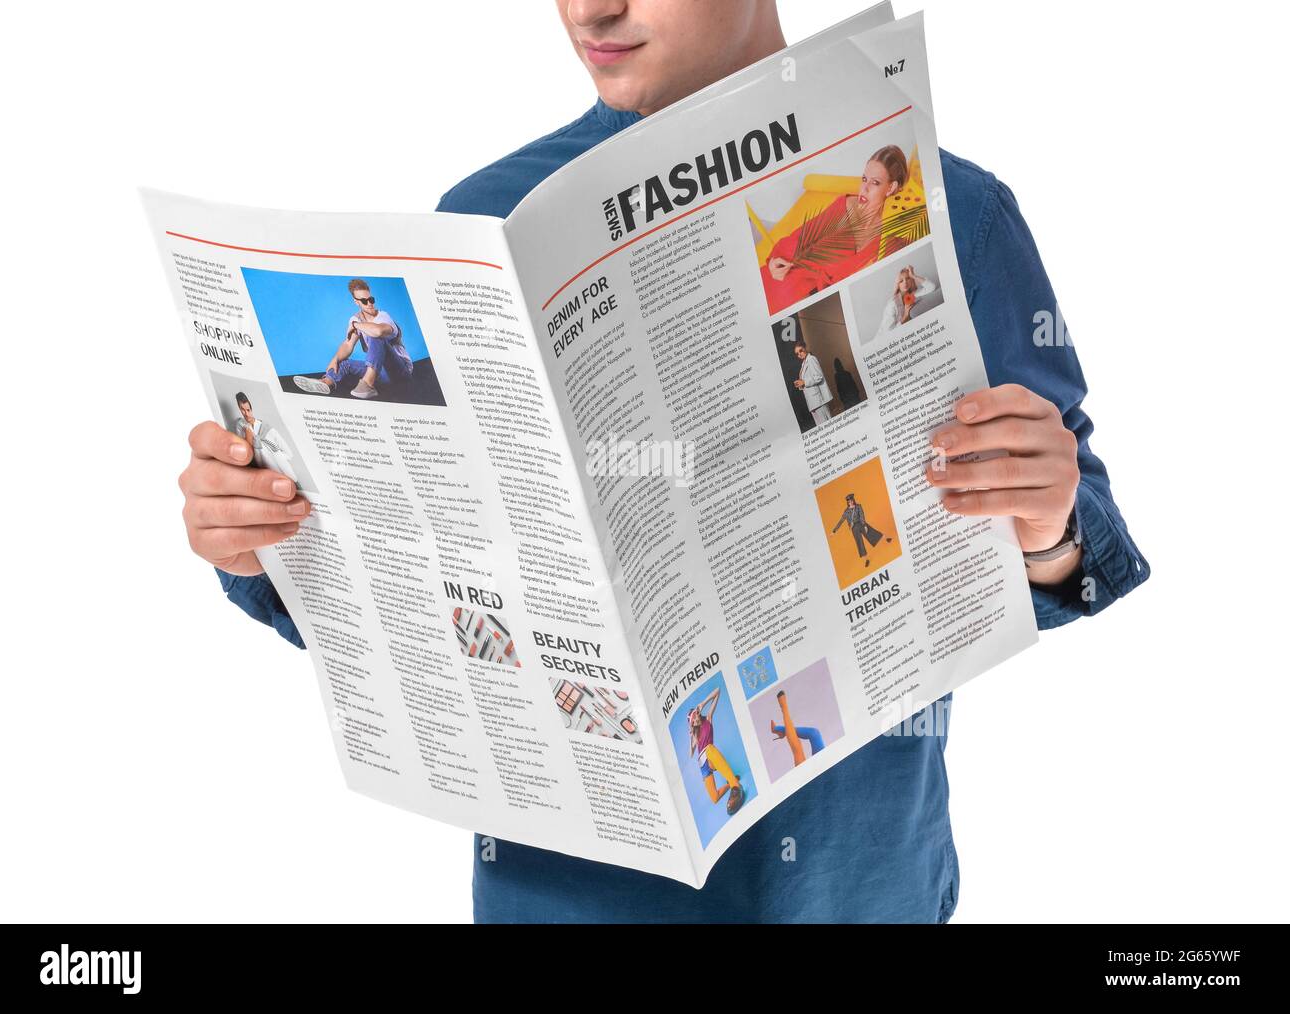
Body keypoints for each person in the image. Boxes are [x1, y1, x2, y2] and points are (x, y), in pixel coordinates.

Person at [177, 0, 1151, 923]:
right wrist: (261, 546)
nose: (587, 11)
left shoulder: (952, 209)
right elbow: (432, 603)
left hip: (860, 885)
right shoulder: (483, 224)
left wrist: (1047, 527)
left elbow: (1077, 543)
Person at [761, 144, 910, 316]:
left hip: (821, 308)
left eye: (875, 182)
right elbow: (799, 237)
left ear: (891, 188)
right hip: (786, 284)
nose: (864, 188)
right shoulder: (845, 205)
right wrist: (773, 261)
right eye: (864, 179)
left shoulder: (890, 234)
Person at [292, 279, 412, 400]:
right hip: (380, 372)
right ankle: (325, 383)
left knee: (375, 336)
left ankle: (367, 385)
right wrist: (335, 359)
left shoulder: (383, 316)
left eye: (371, 299)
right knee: (344, 364)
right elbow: (348, 345)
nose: (369, 303)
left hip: (400, 372)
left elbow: (378, 331)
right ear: (356, 302)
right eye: (364, 301)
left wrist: (356, 325)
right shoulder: (356, 319)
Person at [687, 686, 745, 815]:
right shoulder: (695, 735)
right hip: (703, 767)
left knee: (709, 748)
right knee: (714, 798)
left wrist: (703, 703)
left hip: (711, 756)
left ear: (698, 713)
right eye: (692, 722)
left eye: (695, 716)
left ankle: (735, 785)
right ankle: (730, 782)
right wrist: (690, 737)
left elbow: (718, 690)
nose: (695, 720)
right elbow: (691, 754)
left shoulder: (708, 719)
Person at [231, 393, 298, 485]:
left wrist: (280, 456)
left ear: (251, 409)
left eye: (248, 410)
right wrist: (248, 434)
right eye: (242, 410)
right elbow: (246, 451)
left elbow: (288, 452)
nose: (246, 414)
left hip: (282, 466)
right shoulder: (241, 426)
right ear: (239, 408)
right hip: (263, 473)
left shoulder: (265, 427)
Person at [875, 265, 939, 340]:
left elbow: (932, 287)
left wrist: (914, 275)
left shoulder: (913, 294)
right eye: (901, 281)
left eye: (908, 278)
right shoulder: (892, 304)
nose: (905, 282)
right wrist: (905, 315)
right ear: (898, 285)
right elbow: (889, 333)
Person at [831, 492, 890, 567]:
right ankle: (866, 560)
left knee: (872, 532)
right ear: (847, 502)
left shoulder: (858, 506)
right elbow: (841, 521)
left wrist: (865, 525)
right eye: (849, 502)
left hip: (861, 524)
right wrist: (834, 531)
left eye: (851, 501)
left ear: (853, 500)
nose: (850, 502)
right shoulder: (846, 511)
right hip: (854, 528)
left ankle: (886, 538)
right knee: (860, 544)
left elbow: (862, 516)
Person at [792, 342, 833, 427]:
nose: (799, 354)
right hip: (812, 402)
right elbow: (807, 380)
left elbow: (818, 376)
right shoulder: (803, 363)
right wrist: (801, 384)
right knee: (822, 428)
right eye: (797, 353)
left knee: (827, 425)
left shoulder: (811, 359)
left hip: (818, 401)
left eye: (801, 350)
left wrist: (804, 382)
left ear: (805, 348)